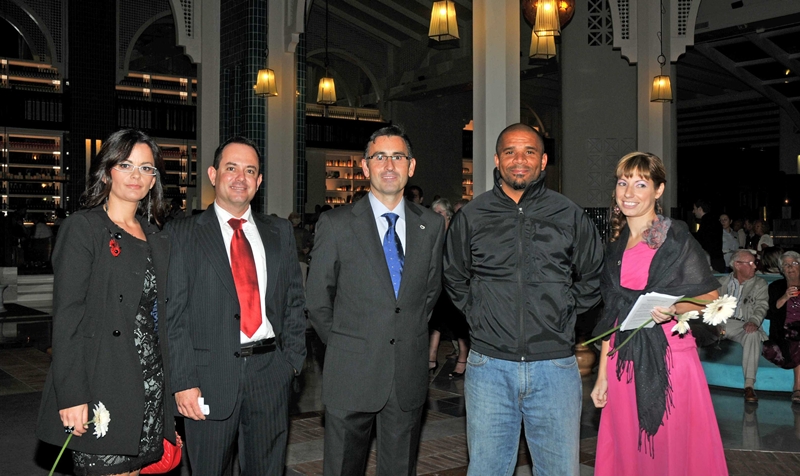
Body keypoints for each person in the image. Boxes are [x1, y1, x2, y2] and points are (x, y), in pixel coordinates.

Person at [443, 123, 603, 475]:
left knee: (559, 470)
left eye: (529, 152)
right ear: (497, 160)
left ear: (543, 161)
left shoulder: (568, 213)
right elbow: (453, 274)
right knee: (487, 469)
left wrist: (565, 312)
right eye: (510, 152)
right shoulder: (472, 215)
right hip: (489, 367)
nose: (520, 160)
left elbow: (594, 274)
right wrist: (478, 312)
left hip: (555, 367)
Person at [306, 125, 445, 475]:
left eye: (398, 156)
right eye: (379, 156)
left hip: (407, 374)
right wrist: (346, 345)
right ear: (365, 166)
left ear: (411, 166)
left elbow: (429, 293)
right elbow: (318, 299)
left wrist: (404, 331)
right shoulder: (336, 224)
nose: (389, 164)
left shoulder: (431, 225)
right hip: (350, 372)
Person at [36, 129, 176, 475]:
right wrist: (71, 395)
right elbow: (68, 318)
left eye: (146, 168)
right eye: (125, 164)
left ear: (153, 180)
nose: (136, 175)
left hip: (149, 383)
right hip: (102, 381)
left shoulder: (157, 237)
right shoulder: (84, 228)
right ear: (106, 171)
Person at [166, 136, 306, 475]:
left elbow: (293, 301)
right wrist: (182, 381)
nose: (240, 177)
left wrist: (290, 364)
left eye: (250, 170)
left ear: (259, 181)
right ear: (213, 174)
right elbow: (174, 316)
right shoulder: (183, 233)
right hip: (207, 379)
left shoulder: (280, 232)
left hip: (270, 374)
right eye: (231, 168)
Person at [590, 152, 727, 475]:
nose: (629, 193)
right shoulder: (616, 246)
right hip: (623, 366)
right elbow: (613, 315)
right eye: (623, 183)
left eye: (641, 184)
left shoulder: (674, 238)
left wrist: (675, 307)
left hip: (671, 364)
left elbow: (711, 299)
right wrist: (602, 375)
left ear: (659, 189)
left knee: (672, 453)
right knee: (628, 452)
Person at [717, 249, 769, 403]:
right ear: (738, 265)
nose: (755, 266)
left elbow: (761, 306)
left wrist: (754, 321)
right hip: (721, 322)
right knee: (695, 331)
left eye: (755, 263)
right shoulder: (721, 283)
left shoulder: (759, 284)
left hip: (742, 324)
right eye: (751, 263)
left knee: (753, 334)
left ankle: (749, 386)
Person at [427, 198, 470, 379]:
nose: (436, 216)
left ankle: (463, 359)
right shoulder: (431, 233)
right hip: (437, 283)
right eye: (434, 212)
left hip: (453, 285)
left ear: (448, 216)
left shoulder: (455, 233)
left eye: (440, 213)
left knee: (457, 321)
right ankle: (431, 357)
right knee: (435, 320)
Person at [762, 251, 800, 404]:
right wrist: (785, 297)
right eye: (786, 265)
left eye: (794, 263)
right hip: (784, 331)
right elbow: (770, 312)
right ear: (781, 269)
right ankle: (798, 387)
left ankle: (798, 388)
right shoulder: (776, 287)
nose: (790, 267)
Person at [693, 199, 726, 272]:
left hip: (711, 261)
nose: (693, 211)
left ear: (700, 209)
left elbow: (702, 241)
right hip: (718, 260)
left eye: (694, 209)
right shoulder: (715, 220)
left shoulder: (706, 222)